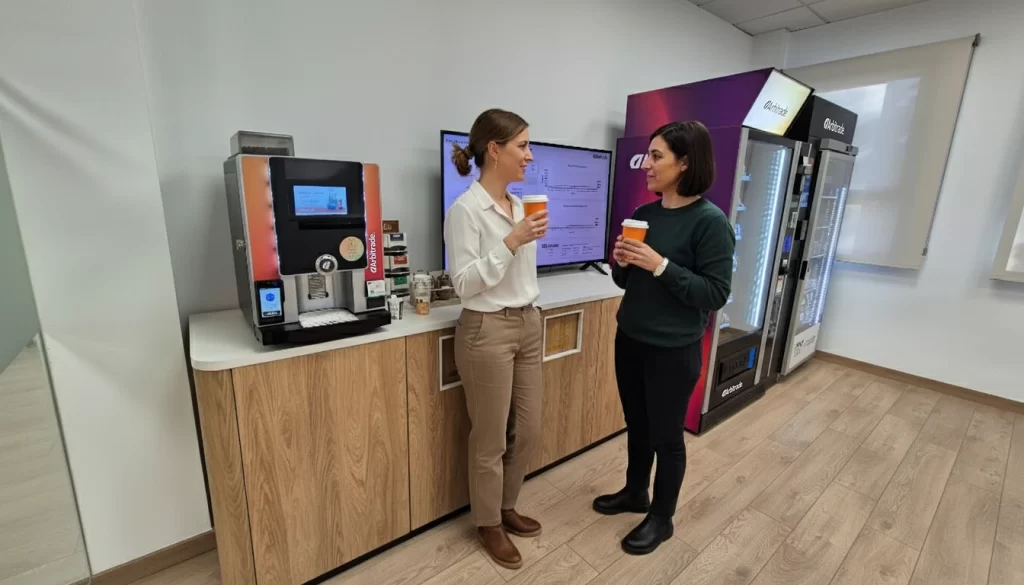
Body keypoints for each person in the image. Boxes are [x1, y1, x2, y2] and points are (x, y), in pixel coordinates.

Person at [594, 120, 734, 555]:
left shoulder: (711, 223)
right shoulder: (643, 215)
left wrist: (660, 264)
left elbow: (714, 293)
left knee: (666, 437)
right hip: (630, 337)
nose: (647, 165)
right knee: (636, 423)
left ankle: (662, 517)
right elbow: (625, 282)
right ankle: (636, 492)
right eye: (649, 155)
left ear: (685, 162)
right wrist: (622, 260)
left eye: (657, 156)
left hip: (674, 350)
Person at [444, 108, 549, 570]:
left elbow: (520, 274)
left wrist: (520, 238)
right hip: (486, 329)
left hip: (528, 322)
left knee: (527, 430)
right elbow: (464, 284)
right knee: (490, 439)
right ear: (495, 150)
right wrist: (510, 242)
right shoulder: (465, 210)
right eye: (522, 145)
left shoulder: (521, 205)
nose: (529, 154)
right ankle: (488, 522)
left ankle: (506, 506)